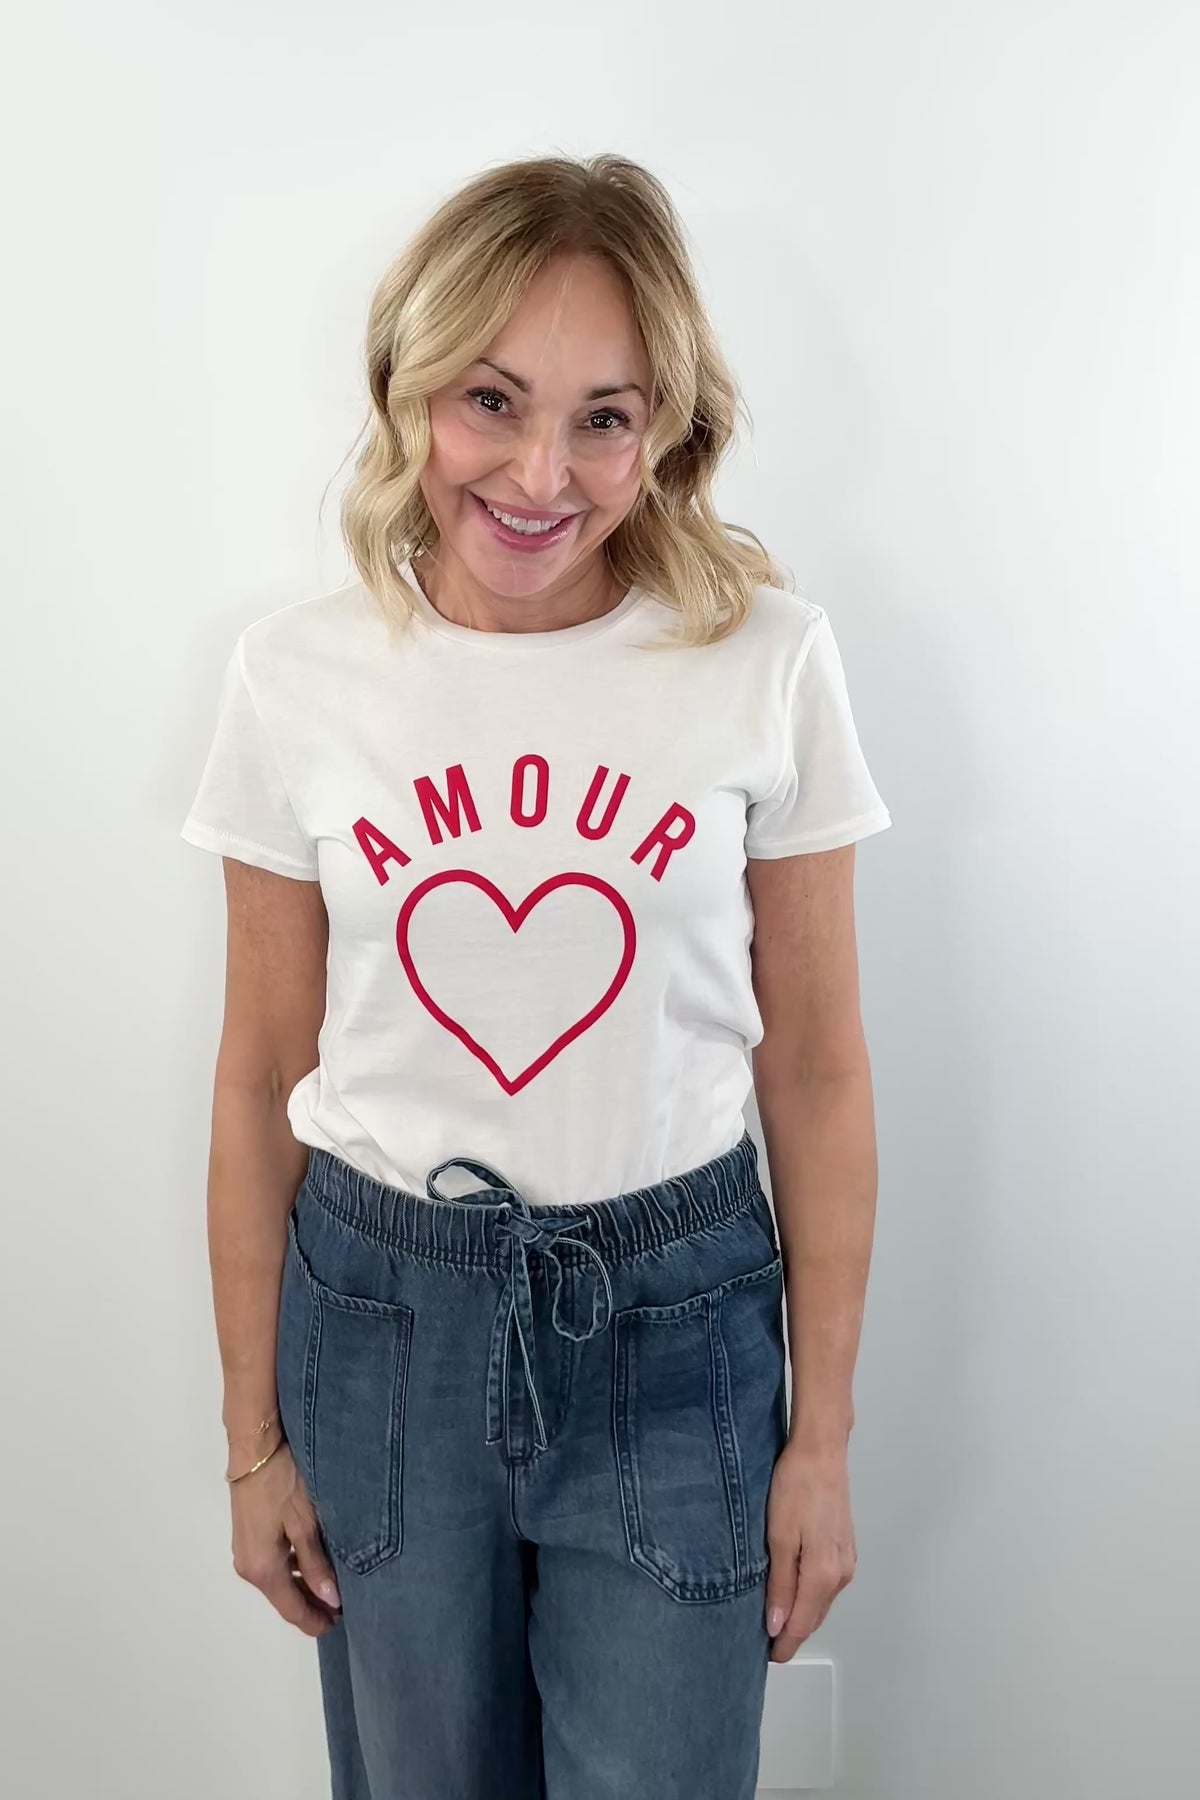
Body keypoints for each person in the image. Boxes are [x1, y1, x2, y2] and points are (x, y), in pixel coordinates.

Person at [180, 152, 892, 1800]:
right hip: (381, 1325)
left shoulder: (765, 660)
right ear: (411, 390)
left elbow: (817, 1069)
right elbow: (259, 1070)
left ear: (668, 432)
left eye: (603, 417)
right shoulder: (296, 675)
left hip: (681, 1323)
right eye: (490, 400)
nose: (539, 472)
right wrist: (250, 1441)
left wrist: (823, 1441)